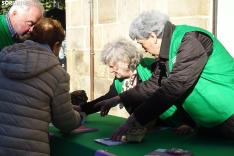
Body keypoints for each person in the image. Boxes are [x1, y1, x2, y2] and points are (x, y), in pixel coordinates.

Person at [95, 10, 234, 140]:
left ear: (153, 36)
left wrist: (134, 118)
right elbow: (153, 84)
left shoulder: (191, 40)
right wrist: (119, 99)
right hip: (209, 122)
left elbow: (174, 87)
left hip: (229, 115)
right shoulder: (166, 54)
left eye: (142, 44)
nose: (144, 50)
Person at [73, 38, 194, 132]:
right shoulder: (120, 80)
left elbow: (178, 93)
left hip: (174, 127)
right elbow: (107, 99)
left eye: (112, 66)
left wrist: (187, 123)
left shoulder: (153, 68)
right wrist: (81, 109)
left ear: (125, 62)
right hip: (149, 132)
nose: (110, 71)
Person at [0, 18, 82, 156]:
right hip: (30, 149)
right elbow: (65, 122)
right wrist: (79, 117)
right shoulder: (57, 74)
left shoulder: (3, 58)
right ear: (56, 45)